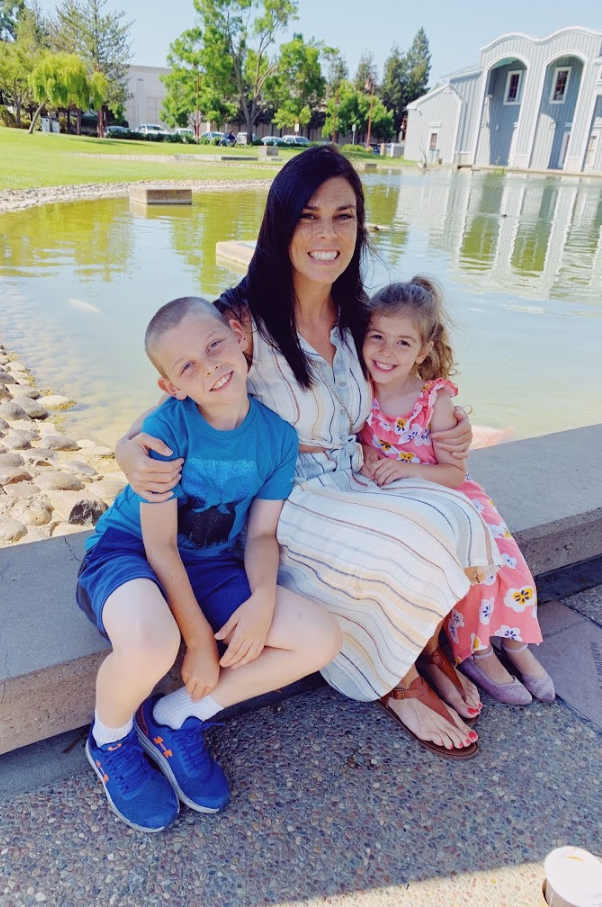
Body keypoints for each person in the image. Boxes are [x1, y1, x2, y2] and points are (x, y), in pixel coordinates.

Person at [116, 146, 502, 759]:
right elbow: (170, 404)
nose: (328, 234)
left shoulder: (358, 310)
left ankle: (425, 651)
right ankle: (394, 681)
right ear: (280, 222)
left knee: (457, 515)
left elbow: (403, 377)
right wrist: (125, 447)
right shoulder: (240, 320)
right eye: (308, 216)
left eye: (343, 216)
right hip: (286, 494)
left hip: (355, 473)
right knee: (403, 542)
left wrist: (447, 424)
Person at [77, 296, 342, 833]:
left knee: (320, 638)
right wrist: (200, 643)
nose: (209, 367)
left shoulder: (277, 438)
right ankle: (109, 738)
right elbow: (160, 548)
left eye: (214, 345)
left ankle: (175, 719)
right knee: (155, 645)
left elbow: (263, 533)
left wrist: (263, 597)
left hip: (214, 564)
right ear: (171, 386)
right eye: (187, 366)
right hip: (130, 555)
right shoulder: (165, 430)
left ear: (240, 338)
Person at [359, 276, 555, 705]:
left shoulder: (435, 399)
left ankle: (517, 644)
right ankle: (477, 650)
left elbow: (452, 472)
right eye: (377, 337)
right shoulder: (359, 394)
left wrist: (403, 468)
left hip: (448, 490)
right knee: (469, 562)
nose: (386, 352)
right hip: (409, 503)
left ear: (424, 352)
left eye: (403, 343)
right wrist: (371, 460)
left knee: (503, 556)